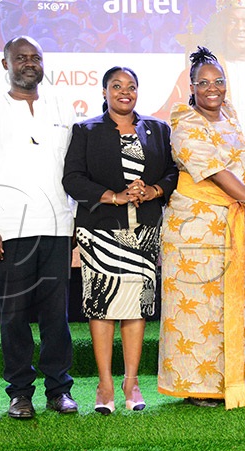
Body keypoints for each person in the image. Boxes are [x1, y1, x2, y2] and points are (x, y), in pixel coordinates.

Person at [158, 47, 245, 410]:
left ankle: (237, 380)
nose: (212, 88)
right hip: (196, 228)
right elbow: (217, 172)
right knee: (200, 305)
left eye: (219, 81)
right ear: (192, 86)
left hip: (234, 222)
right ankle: (199, 386)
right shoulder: (185, 123)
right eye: (204, 82)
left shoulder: (229, 117)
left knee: (234, 302)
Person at [0, 35, 77, 419]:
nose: (29, 63)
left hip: (58, 227)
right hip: (8, 229)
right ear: (5, 64)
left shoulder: (61, 107)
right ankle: (19, 392)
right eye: (21, 57)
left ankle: (59, 389)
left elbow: (72, 170)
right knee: (13, 315)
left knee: (55, 315)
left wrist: (74, 219)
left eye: (36, 57)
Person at [62, 67, 178, 414]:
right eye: (116, 86)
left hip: (143, 232)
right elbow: (72, 178)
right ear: (104, 91)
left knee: (136, 308)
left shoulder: (157, 129)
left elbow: (173, 173)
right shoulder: (86, 130)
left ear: (138, 92)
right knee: (102, 307)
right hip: (100, 231)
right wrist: (113, 196)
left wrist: (154, 190)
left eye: (131, 87)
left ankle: (132, 383)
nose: (124, 92)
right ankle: (105, 385)